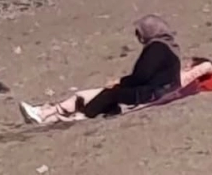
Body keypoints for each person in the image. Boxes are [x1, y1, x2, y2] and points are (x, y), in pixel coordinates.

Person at [19, 16, 183, 124]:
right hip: (158, 89)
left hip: (153, 93)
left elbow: (141, 76)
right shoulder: (167, 47)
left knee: (110, 94)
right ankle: (46, 114)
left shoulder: (157, 48)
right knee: (102, 94)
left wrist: (120, 82)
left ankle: (77, 116)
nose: (139, 37)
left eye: (140, 33)